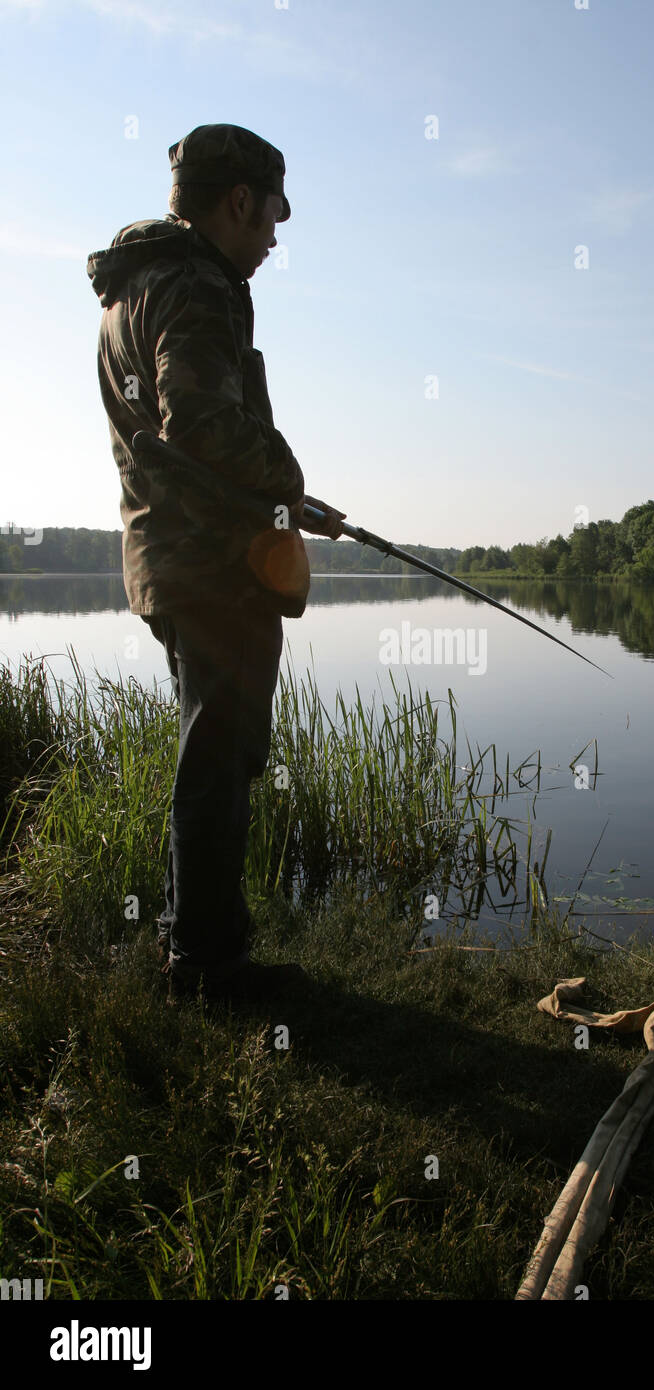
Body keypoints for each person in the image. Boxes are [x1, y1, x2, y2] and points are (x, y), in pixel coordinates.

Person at [86, 123, 345, 1003]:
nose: (275, 233)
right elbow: (197, 421)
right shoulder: (198, 281)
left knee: (215, 755)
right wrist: (288, 476)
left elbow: (174, 439)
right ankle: (207, 970)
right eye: (273, 212)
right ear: (239, 200)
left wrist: (284, 505)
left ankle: (199, 953)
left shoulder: (131, 289)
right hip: (212, 565)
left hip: (169, 553)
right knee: (219, 760)